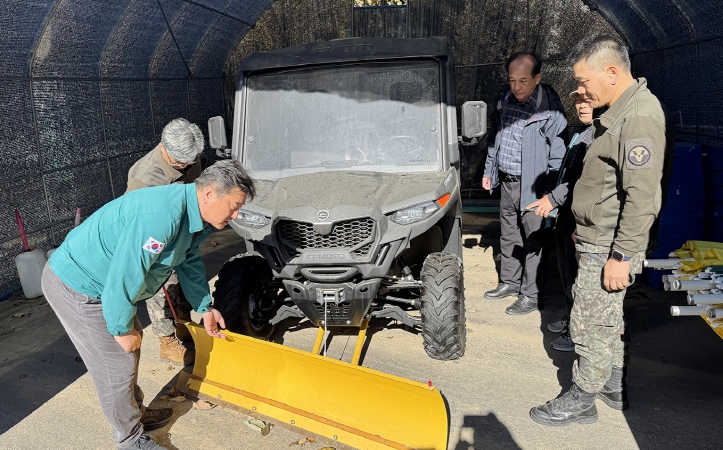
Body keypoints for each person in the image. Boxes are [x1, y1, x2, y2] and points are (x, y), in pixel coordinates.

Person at [41, 160, 256, 449]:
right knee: (117, 362)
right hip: (78, 284)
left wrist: (204, 307)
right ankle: (129, 440)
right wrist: (120, 328)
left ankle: (135, 413)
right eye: (234, 205)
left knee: (131, 347)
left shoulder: (192, 216)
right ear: (209, 194)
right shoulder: (161, 217)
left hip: (108, 285)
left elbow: (188, 260)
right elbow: (127, 272)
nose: (236, 214)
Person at [530, 34, 671, 426]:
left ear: (611, 73)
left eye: (583, 82)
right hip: (599, 239)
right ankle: (611, 384)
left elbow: (642, 196)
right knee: (606, 319)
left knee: (590, 323)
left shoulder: (639, 116)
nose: (581, 91)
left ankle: (582, 398)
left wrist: (621, 256)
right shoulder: (621, 110)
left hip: (610, 245)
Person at [482, 52, 568, 315]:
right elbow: (495, 139)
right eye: (512, 80)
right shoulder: (504, 102)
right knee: (508, 235)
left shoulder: (550, 111)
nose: (516, 87)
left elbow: (558, 156)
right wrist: (489, 170)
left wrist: (549, 192)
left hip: (534, 187)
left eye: (523, 81)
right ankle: (509, 282)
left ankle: (531, 294)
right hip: (507, 183)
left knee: (534, 241)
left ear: (537, 78)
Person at [126, 118, 206, 365]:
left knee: (182, 279)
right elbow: (138, 228)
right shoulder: (144, 179)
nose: (186, 166)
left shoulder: (190, 157)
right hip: (154, 238)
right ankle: (166, 339)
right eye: (180, 163)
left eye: (191, 161)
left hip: (183, 229)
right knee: (160, 282)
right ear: (164, 147)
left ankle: (183, 321)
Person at [527, 92, 594, 351]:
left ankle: (579, 333)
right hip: (567, 216)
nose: (582, 106)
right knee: (567, 274)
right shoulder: (582, 132)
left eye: (588, 101)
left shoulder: (600, 136)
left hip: (581, 219)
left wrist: (553, 199)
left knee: (578, 279)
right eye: (578, 101)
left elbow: (583, 180)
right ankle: (572, 319)